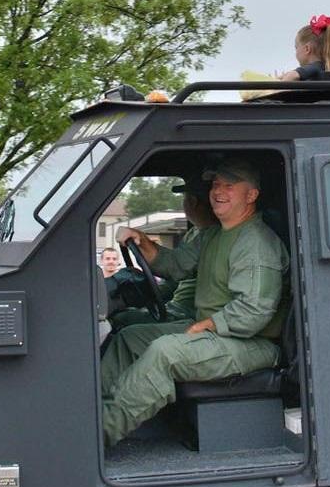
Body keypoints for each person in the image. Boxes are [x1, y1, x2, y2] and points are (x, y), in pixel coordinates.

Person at [101, 158, 289, 447]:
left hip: (252, 342)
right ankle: (86, 412)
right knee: (130, 337)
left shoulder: (256, 243)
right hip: (220, 333)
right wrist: (143, 242)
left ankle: (98, 435)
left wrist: (209, 323)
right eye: (215, 185)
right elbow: (176, 265)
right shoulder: (214, 235)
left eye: (229, 186)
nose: (218, 192)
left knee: (166, 352)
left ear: (251, 196)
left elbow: (254, 312)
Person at [108, 175, 218, 329]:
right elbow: (174, 282)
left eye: (185, 199)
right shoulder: (195, 234)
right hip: (175, 307)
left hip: (188, 315)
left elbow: (177, 267)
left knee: (123, 329)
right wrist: (148, 290)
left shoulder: (213, 236)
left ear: (192, 202)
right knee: (120, 318)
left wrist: (143, 241)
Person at [277, 14, 330, 81]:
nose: (296, 53)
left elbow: (293, 75)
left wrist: (274, 88)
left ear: (307, 49)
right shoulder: (329, 70)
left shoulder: (315, 67)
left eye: (296, 47)